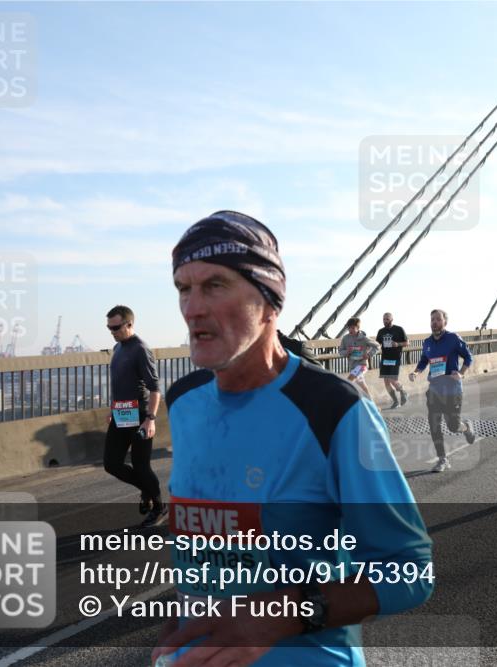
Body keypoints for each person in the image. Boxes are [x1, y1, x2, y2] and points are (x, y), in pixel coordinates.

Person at [155, 210, 433, 667]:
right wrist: (179, 625)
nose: (192, 308)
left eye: (215, 285)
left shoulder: (332, 408)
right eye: (183, 288)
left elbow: (409, 573)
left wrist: (281, 615)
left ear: (269, 303)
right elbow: (198, 540)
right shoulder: (184, 400)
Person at [104, 305, 166, 528]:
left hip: (140, 414)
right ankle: (146, 490)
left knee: (141, 465)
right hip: (121, 413)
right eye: (109, 328)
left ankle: (159, 506)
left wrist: (150, 419)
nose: (113, 331)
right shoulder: (118, 348)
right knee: (111, 463)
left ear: (129, 324)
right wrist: (113, 410)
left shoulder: (140, 349)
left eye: (116, 327)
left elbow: (154, 388)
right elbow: (120, 384)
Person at [408, 309, 475, 473]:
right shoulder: (427, 342)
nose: (434, 322)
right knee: (434, 425)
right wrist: (416, 371)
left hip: (452, 390)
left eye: (438, 319)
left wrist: (461, 373)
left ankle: (465, 427)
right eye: (432, 319)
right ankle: (442, 459)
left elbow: (468, 357)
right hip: (435, 390)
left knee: (453, 426)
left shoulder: (453, 338)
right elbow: (424, 359)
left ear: (445, 322)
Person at [338, 317, 379, 400]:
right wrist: (347, 352)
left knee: (349, 381)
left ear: (358, 328)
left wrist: (369, 355)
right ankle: (373, 405)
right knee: (363, 386)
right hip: (352, 366)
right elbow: (340, 352)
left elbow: (377, 346)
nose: (350, 330)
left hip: (362, 365)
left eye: (353, 328)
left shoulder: (364, 338)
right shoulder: (345, 338)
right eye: (349, 328)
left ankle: (343, 401)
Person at [376, 312, 409, 409]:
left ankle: (403, 392)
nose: (385, 321)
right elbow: (377, 344)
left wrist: (397, 344)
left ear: (391, 319)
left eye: (387, 319)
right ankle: (395, 402)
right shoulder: (381, 331)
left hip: (395, 358)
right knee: (386, 382)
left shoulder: (399, 329)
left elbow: (407, 343)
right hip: (385, 359)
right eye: (384, 319)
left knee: (392, 379)